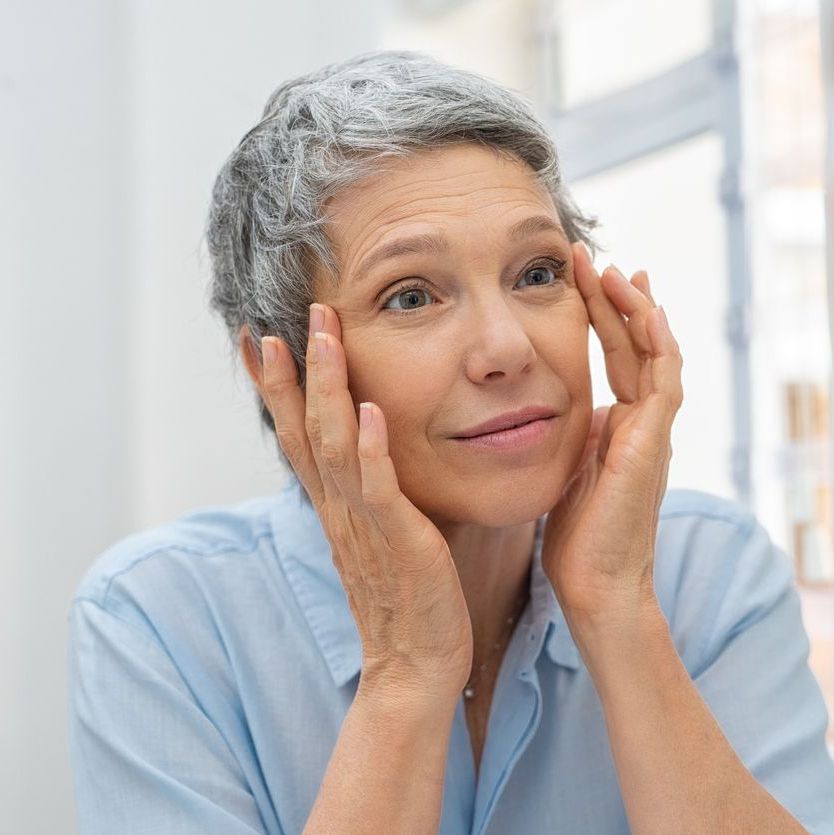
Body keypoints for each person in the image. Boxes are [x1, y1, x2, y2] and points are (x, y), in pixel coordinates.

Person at [68, 50, 834, 834]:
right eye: (410, 295)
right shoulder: (158, 623)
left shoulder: (713, 576)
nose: (507, 347)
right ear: (283, 371)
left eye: (536, 274)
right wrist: (407, 671)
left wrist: (618, 611)